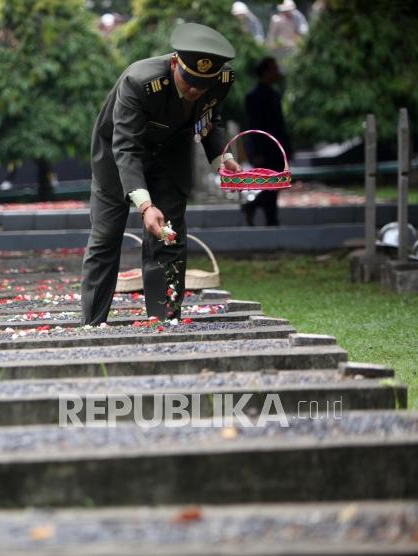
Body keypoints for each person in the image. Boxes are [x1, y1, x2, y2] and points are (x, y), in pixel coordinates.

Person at [81, 23, 241, 325]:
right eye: (188, 81)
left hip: (170, 155)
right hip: (118, 157)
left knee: (168, 239)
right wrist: (144, 205)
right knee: (106, 236)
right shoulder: (139, 81)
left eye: (201, 85)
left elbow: (208, 116)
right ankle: (92, 322)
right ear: (173, 64)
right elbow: (125, 146)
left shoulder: (221, 79)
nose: (194, 91)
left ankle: (164, 319)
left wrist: (222, 156)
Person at [242, 56, 292, 226]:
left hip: (276, 147)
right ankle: (264, 214)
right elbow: (254, 126)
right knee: (272, 184)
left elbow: (280, 125)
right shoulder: (254, 96)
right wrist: (256, 152)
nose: (277, 72)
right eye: (273, 69)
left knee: (274, 184)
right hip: (264, 149)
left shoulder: (273, 94)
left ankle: (262, 212)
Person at [267, 0, 309, 68]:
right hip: (280, 47)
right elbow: (272, 35)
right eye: (284, 11)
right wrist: (272, 44)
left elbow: (304, 30)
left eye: (288, 10)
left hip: (294, 46)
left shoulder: (297, 17)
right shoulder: (277, 19)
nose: (286, 13)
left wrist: (298, 36)